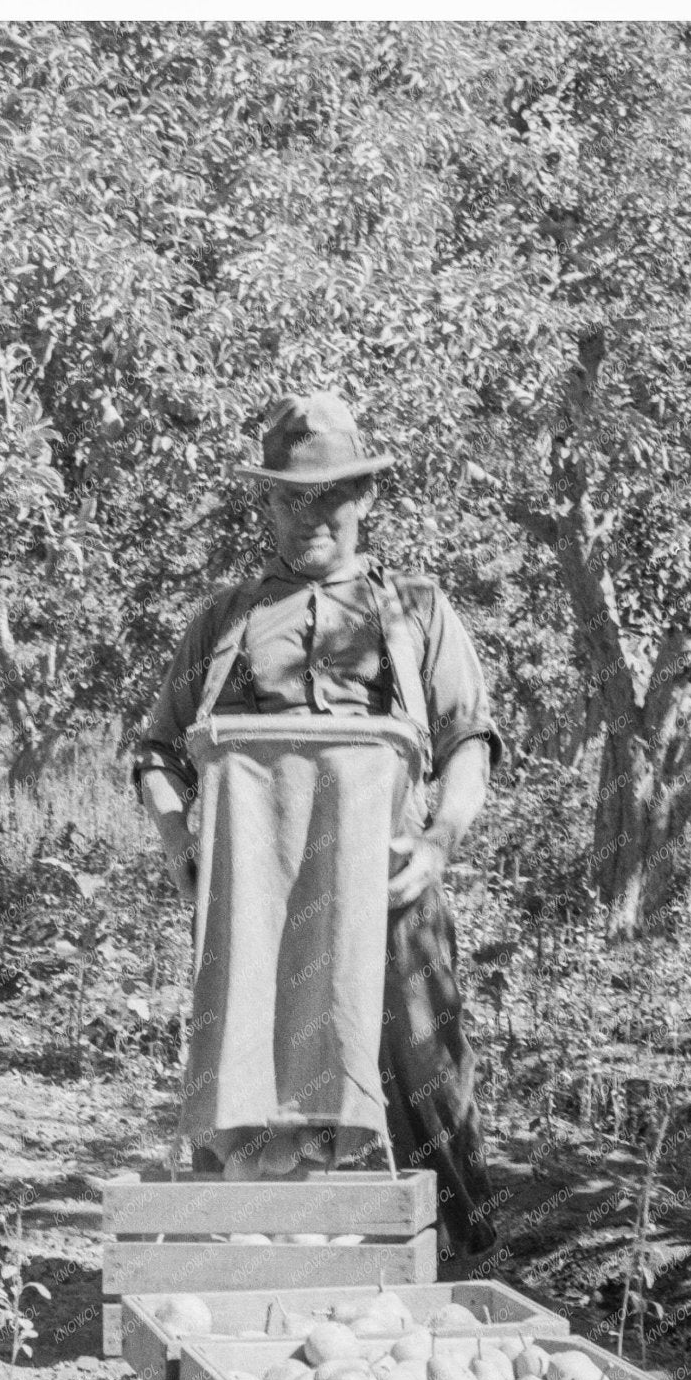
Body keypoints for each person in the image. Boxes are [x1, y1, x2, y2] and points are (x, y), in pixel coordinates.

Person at [130, 391, 503, 1263]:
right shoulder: (224, 619)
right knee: (255, 1059)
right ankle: (272, 1257)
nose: (311, 517)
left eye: (330, 495)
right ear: (263, 503)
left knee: (422, 1069)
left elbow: (468, 741)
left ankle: (456, 1260)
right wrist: (179, 840)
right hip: (259, 900)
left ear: (365, 497)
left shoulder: (414, 608)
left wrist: (440, 842)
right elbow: (156, 751)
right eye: (290, 497)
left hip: (387, 883)